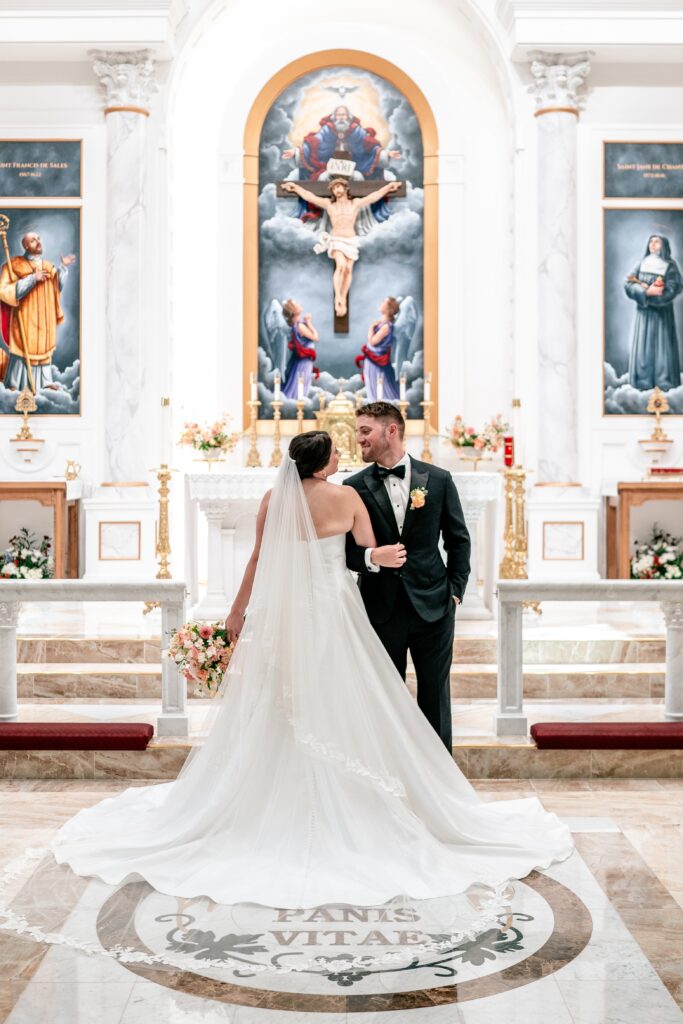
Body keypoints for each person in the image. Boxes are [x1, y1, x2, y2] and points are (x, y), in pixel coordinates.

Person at [42, 430, 572, 918]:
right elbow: (364, 555)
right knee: (349, 696)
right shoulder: (349, 498)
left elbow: (256, 561)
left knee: (277, 700)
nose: (344, 457)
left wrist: (234, 616)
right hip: (335, 612)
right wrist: (381, 556)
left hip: (284, 615)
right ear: (323, 464)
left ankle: (261, 808)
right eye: (337, 454)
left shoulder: (276, 499)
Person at [343, 402, 469, 751]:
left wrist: (455, 594)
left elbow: (458, 540)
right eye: (357, 433)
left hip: (435, 607)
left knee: (435, 698)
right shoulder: (352, 487)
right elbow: (342, 552)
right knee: (384, 699)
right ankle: (390, 779)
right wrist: (372, 556)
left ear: (391, 430)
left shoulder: (439, 479)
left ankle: (440, 784)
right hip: (381, 610)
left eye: (365, 431)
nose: (359, 440)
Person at [282, 178, 401, 317]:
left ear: (345, 188)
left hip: (351, 240)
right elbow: (310, 196)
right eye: (333, 188)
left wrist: (388, 188)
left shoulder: (355, 203)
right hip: (336, 239)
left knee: (348, 269)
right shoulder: (329, 205)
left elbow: (373, 196)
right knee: (341, 266)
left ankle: (343, 298)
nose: (336, 190)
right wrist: (295, 188)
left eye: (339, 187)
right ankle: (337, 297)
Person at [0, 230, 76, 390]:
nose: (38, 241)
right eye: (33, 240)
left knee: (44, 348)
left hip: (45, 318)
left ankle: (46, 382)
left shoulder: (49, 266)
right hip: (25, 317)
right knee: (22, 348)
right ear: (26, 246)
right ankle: (15, 383)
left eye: (38, 238)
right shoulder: (13, 265)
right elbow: (4, 291)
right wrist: (32, 279)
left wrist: (63, 268)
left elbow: (57, 288)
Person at [625, 233, 682, 392]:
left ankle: (664, 383)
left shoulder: (670, 265)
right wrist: (645, 293)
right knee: (644, 348)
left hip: (662, 315)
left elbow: (675, 287)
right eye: (651, 241)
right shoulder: (641, 263)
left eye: (657, 242)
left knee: (662, 348)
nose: (653, 244)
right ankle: (642, 382)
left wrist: (658, 295)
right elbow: (628, 283)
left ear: (664, 246)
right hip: (643, 315)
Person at [356, 297, 401, 401]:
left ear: (389, 309)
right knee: (373, 386)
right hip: (373, 361)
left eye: (384, 302)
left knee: (380, 387)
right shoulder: (381, 323)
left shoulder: (386, 327)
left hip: (377, 363)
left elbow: (372, 341)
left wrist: (371, 327)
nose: (381, 303)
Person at [280, 298, 319, 398]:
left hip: (303, 359)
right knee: (302, 383)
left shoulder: (296, 324)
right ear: (294, 310)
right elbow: (316, 337)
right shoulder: (300, 326)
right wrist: (309, 322)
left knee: (301, 383)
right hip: (304, 360)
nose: (299, 303)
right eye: (296, 304)